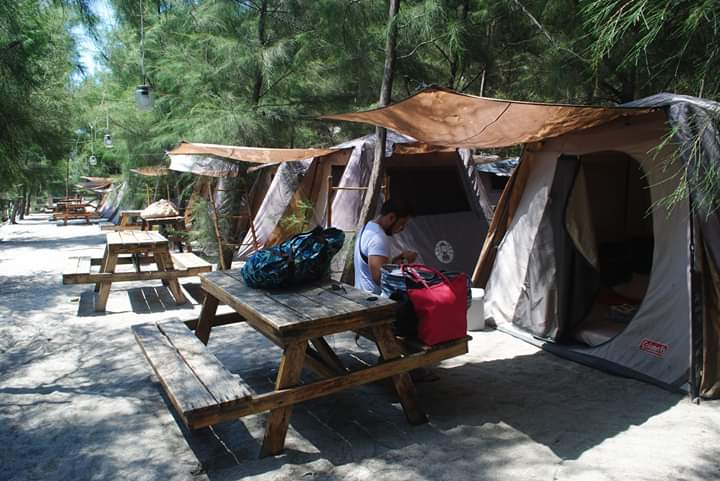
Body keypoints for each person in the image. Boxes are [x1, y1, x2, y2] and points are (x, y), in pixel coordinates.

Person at [354, 198, 418, 295]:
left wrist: (398, 260)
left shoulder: (368, 227)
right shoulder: (378, 238)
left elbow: (376, 267)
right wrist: (405, 261)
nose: (402, 229)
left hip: (362, 294)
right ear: (391, 217)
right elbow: (380, 278)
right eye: (401, 224)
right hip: (374, 299)